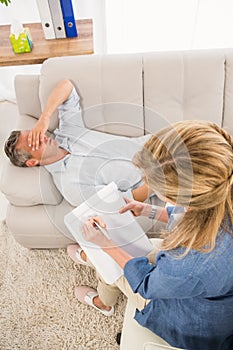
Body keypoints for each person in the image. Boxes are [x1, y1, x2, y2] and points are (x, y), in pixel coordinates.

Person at [67, 120, 233, 350]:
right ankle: (91, 257)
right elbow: (194, 214)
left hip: (190, 322)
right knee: (118, 251)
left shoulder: (191, 260)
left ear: (188, 199)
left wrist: (103, 243)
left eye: (161, 192)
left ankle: (102, 299)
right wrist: (149, 210)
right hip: (208, 292)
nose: (155, 193)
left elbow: (145, 283)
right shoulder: (218, 190)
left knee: (106, 259)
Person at [4, 79, 151, 206]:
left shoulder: (68, 131)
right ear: (32, 162)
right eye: (34, 142)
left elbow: (67, 86)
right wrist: (159, 180)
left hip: (153, 143)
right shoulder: (70, 186)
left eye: (36, 133)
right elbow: (122, 201)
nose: (41, 136)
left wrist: (44, 118)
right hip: (157, 176)